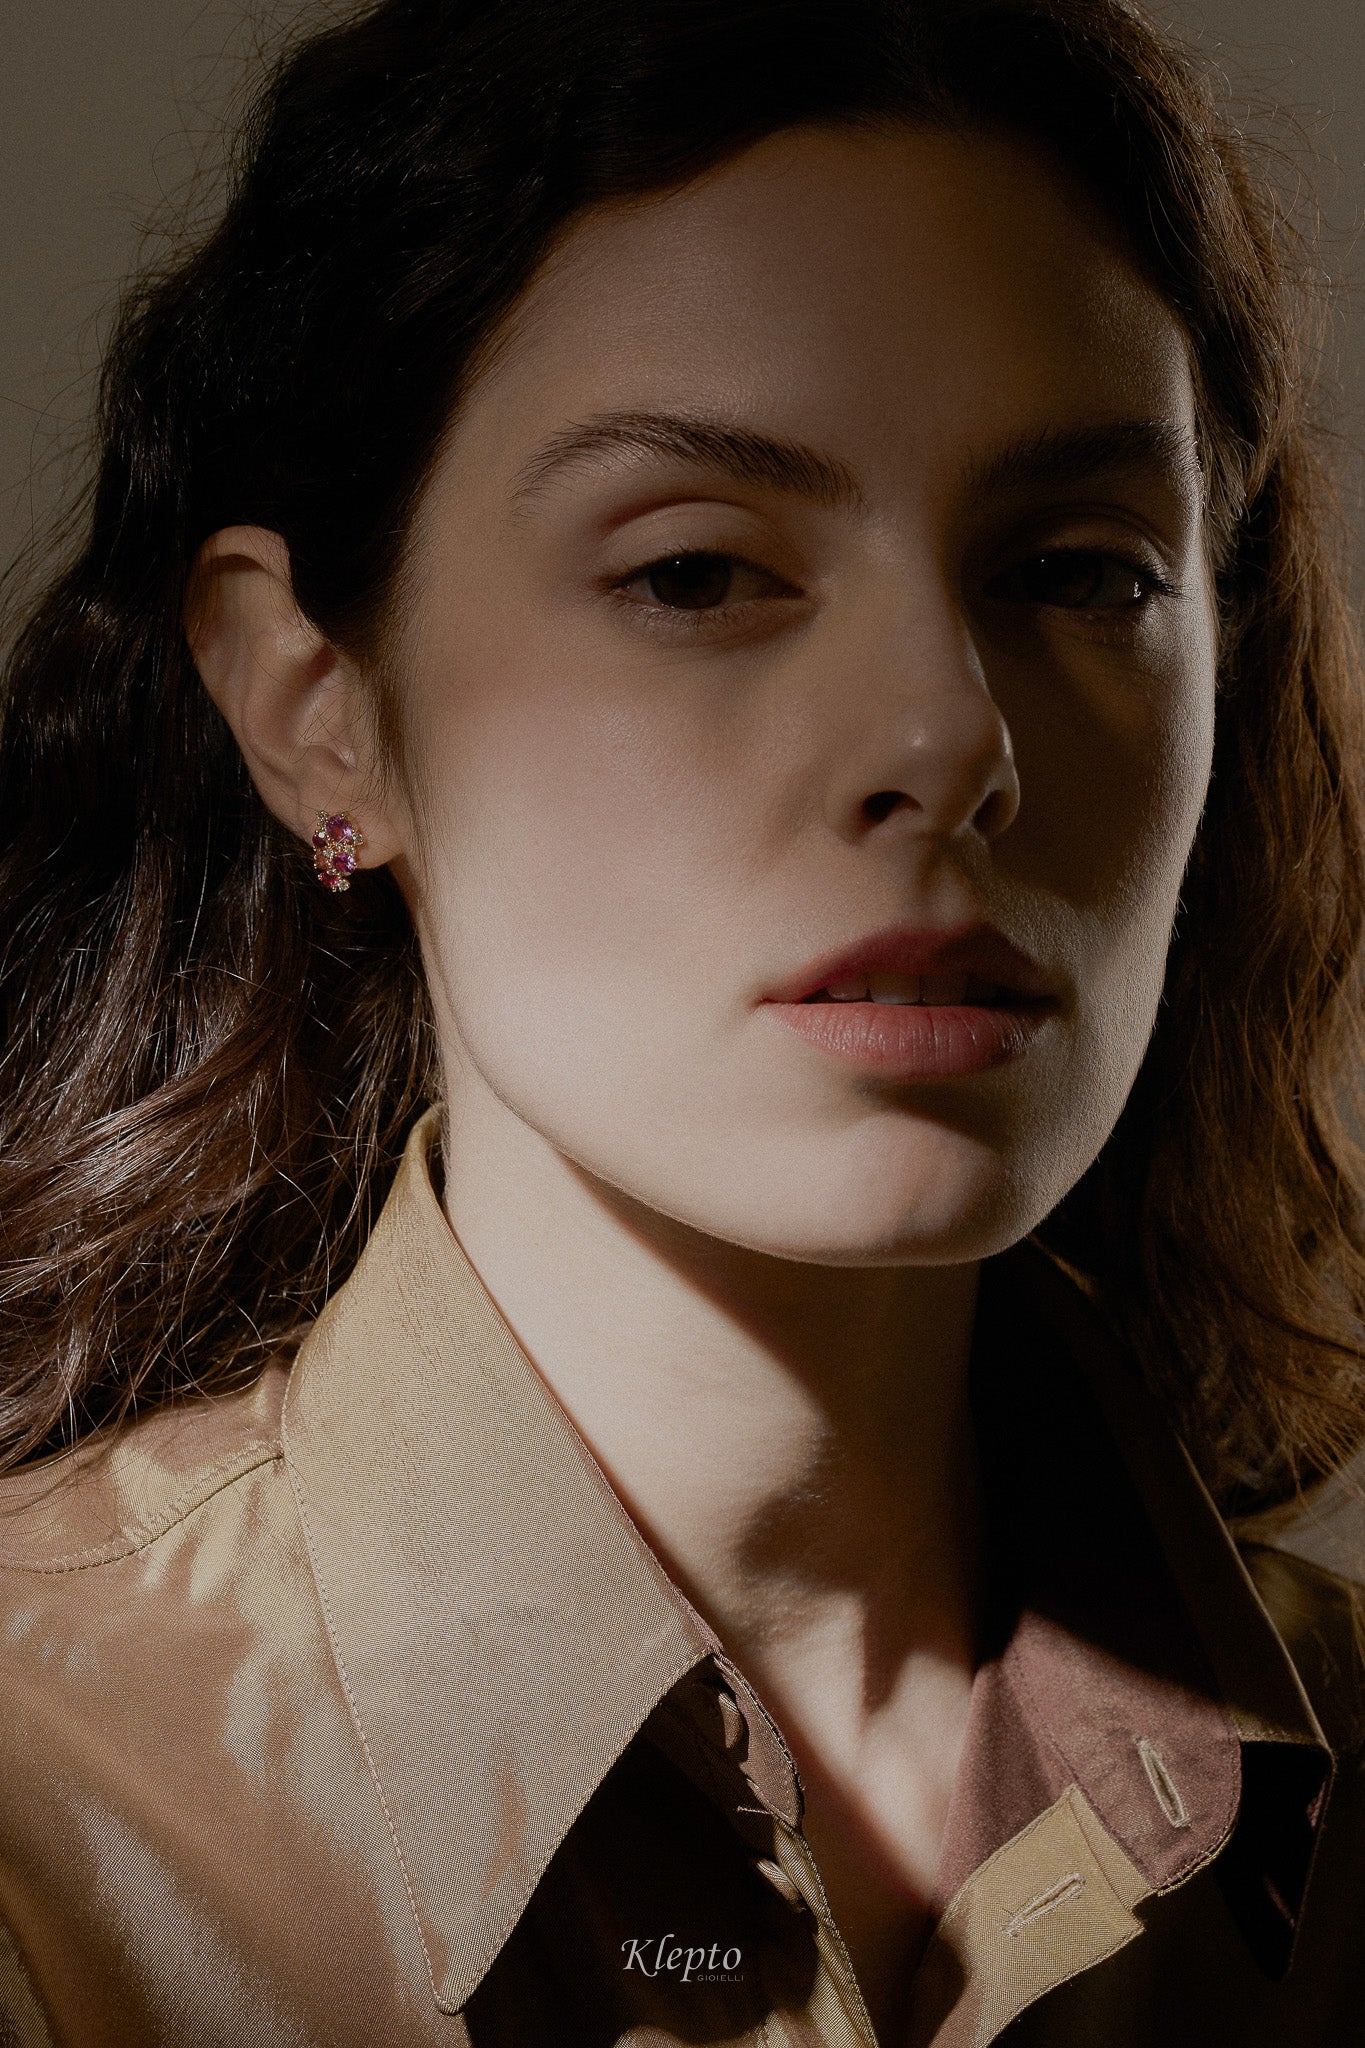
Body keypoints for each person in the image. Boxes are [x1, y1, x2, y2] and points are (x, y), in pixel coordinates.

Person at [2, 0, 1365, 2039]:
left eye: (1079, 570)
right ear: (314, 707)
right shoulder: (46, 1813)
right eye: (700, 573)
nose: (945, 738)